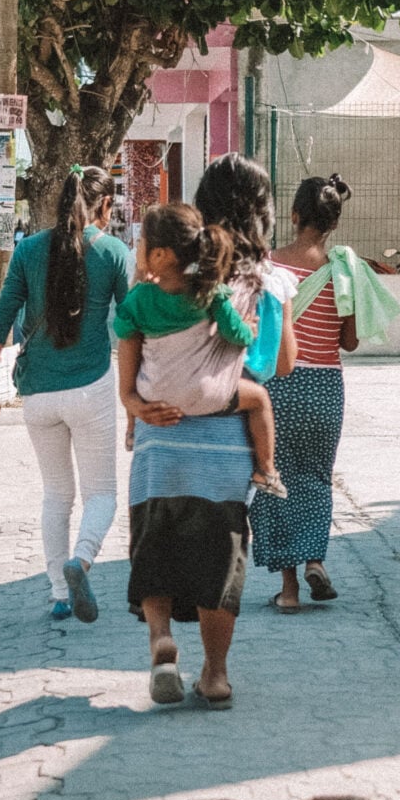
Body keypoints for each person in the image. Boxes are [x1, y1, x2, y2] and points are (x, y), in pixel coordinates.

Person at [118, 153, 296, 710]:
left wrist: (133, 404)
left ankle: (160, 641)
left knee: (156, 546)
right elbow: (281, 365)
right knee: (222, 557)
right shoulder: (268, 280)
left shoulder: (156, 268)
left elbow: (131, 341)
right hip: (224, 443)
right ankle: (215, 675)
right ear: (263, 212)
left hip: (157, 432)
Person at [0, 165, 131, 621]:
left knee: (56, 495)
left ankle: (59, 591)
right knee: (102, 495)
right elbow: (134, 322)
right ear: (103, 206)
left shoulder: (29, 250)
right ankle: (82, 559)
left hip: (37, 396)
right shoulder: (114, 252)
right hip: (91, 389)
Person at [249, 173, 400, 613]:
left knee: (274, 478)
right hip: (325, 389)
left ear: (293, 216)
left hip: (276, 387)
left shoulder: (270, 266)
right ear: (333, 223)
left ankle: (290, 589)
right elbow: (349, 342)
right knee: (316, 477)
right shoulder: (345, 271)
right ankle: (315, 558)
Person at [115, 202, 286, 498]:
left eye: (141, 242)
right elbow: (237, 335)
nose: (137, 247)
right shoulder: (211, 292)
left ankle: (132, 431)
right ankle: (267, 470)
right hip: (210, 397)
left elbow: (124, 334)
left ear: (159, 254)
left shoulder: (139, 298)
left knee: (141, 368)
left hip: (154, 400)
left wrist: (141, 281)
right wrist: (250, 329)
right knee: (259, 399)